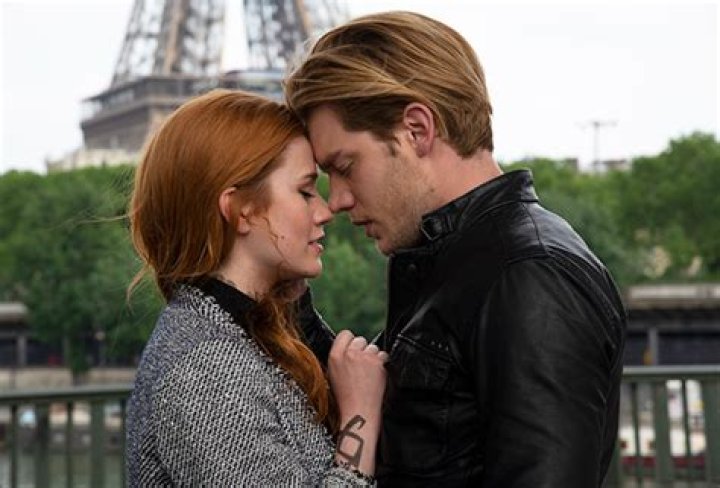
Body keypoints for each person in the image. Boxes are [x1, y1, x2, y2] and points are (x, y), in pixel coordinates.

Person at [285, 11, 627, 487]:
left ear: (417, 130)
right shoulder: (468, 262)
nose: (336, 200)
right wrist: (283, 288)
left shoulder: (529, 276)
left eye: (345, 167)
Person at [125, 89, 387, 486]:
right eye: (305, 191)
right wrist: (360, 418)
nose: (325, 210)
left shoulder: (230, 333)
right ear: (241, 210)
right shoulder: (207, 370)